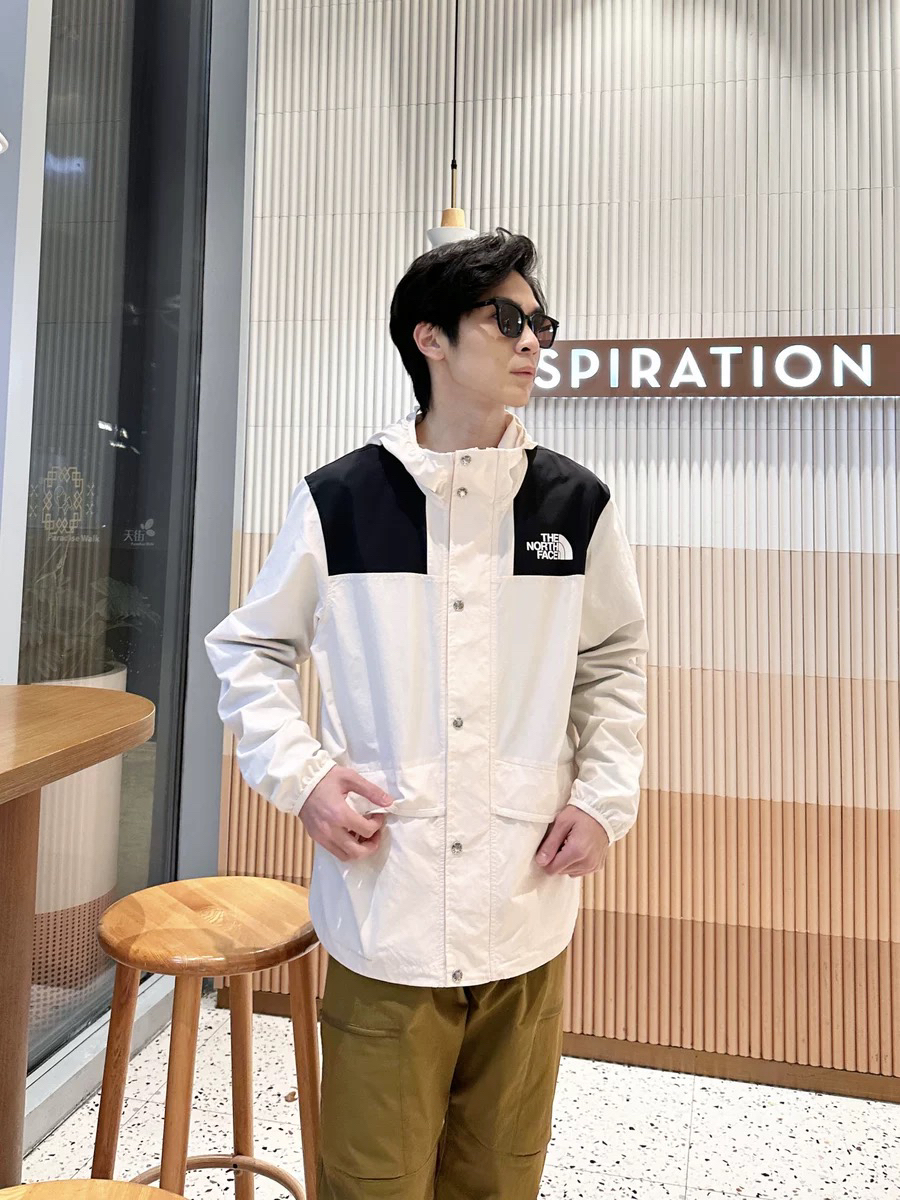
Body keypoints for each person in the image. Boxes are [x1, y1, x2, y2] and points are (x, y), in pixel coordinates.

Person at [204, 228, 649, 1200]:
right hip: (390, 907)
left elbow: (613, 660)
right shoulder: (342, 500)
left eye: (542, 324)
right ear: (431, 338)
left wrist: (605, 796)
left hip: (527, 900)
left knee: (500, 1175)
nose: (533, 341)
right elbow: (250, 648)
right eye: (507, 318)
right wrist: (306, 778)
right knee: (375, 1179)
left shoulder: (575, 506)